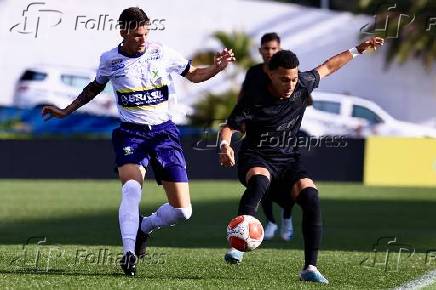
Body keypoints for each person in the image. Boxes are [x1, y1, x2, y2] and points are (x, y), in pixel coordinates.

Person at [42, 7, 235, 277]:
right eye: (136, 35)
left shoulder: (163, 52)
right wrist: (66, 109)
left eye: (145, 33)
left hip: (165, 134)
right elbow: (94, 87)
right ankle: (129, 253)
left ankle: (145, 227)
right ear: (123, 32)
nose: (142, 39)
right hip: (131, 134)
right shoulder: (110, 59)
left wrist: (218, 67)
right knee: (131, 190)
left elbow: (193, 74)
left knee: (183, 212)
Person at [219, 37, 384, 283]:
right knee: (260, 182)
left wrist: (358, 49)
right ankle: (238, 243)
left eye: (294, 79)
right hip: (256, 155)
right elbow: (228, 127)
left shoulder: (303, 84)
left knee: (310, 196)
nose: (290, 84)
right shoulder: (254, 97)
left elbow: (329, 66)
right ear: (271, 75)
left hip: (288, 158)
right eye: (284, 79)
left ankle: (310, 268)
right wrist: (224, 146)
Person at [240, 32, 294, 241]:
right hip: (258, 136)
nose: (270, 52)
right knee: (261, 183)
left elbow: (304, 98)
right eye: (266, 48)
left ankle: (287, 218)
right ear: (260, 50)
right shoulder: (254, 73)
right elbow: (243, 97)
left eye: (274, 48)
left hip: (283, 136)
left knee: (289, 184)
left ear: (279, 49)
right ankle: (270, 221)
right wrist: (241, 121)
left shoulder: (289, 72)